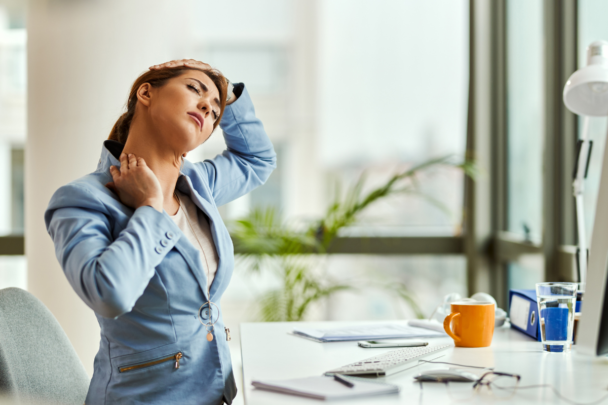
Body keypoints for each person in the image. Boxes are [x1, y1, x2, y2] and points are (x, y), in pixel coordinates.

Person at [44, 59, 276, 405]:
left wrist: (225, 90)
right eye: (194, 89)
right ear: (146, 93)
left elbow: (257, 160)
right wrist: (150, 207)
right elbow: (110, 294)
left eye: (215, 111)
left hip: (216, 396)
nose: (206, 108)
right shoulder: (82, 200)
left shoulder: (199, 185)